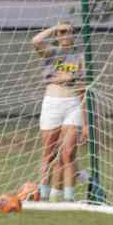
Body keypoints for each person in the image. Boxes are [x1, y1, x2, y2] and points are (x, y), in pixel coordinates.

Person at [31, 21, 88, 202]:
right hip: (52, 103)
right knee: (49, 153)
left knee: (69, 153)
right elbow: (35, 41)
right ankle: (43, 195)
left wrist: (70, 76)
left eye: (69, 32)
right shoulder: (52, 52)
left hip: (73, 104)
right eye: (61, 32)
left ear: (74, 34)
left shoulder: (81, 56)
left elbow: (84, 87)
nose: (65, 35)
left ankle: (69, 198)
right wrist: (54, 28)